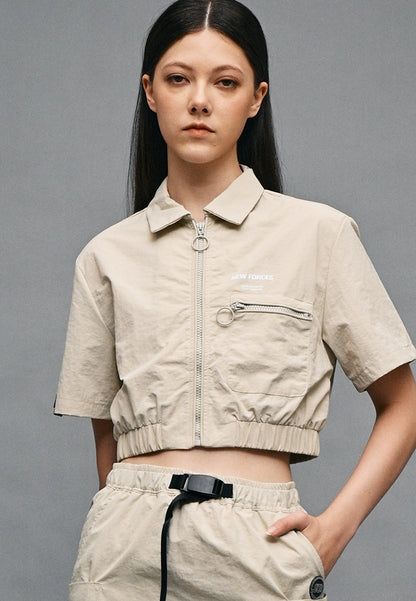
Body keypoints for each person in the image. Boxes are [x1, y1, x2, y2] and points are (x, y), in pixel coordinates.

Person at [54, 1, 416, 600]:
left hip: (258, 547)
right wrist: (120, 528)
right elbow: (107, 438)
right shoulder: (105, 256)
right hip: (121, 553)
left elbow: (404, 403)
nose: (200, 101)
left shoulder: (319, 235)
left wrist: (332, 533)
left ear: (256, 98)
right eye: (178, 79)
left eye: (225, 82)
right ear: (150, 92)